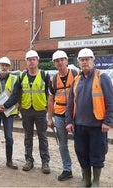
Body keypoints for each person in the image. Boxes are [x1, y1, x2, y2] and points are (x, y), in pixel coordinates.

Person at [65, 48, 113, 187]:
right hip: (79, 125)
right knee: (81, 152)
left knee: (97, 154)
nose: (85, 62)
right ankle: (86, 179)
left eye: (87, 59)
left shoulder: (102, 77)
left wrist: (107, 121)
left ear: (93, 60)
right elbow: (70, 103)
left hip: (97, 126)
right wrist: (68, 121)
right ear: (78, 62)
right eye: (82, 59)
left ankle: (96, 181)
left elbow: (110, 101)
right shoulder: (76, 79)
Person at [3, 50, 51, 174]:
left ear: (37, 61)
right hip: (26, 111)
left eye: (33, 59)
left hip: (40, 111)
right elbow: (15, 94)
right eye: (29, 60)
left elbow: (49, 95)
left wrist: (48, 109)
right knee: (28, 137)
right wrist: (5, 105)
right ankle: (29, 160)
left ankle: (45, 162)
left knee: (43, 137)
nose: (31, 62)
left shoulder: (45, 75)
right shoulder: (22, 76)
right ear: (26, 62)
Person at [47, 50, 78, 181]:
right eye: (57, 61)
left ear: (66, 61)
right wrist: (49, 118)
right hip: (59, 115)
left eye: (62, 60)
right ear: (54, 63)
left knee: (80, 144)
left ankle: (85, 171)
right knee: (62, 144)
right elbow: (50, 99)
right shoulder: (53, 80)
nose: (60, 62)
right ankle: (67, 169)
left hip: (76, 115)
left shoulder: (77, 75)